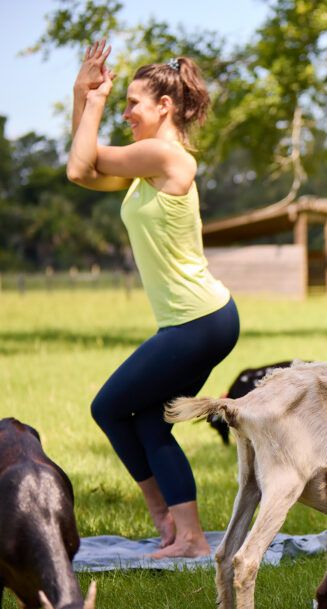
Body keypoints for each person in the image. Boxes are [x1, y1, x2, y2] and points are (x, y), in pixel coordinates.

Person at [67, 40, 239, 559]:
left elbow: (83, 159)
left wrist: (93, 101)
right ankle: (180, 531)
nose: (125, 113)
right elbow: (82, 168)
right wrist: (82, 93)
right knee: (143, 419)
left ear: (164, 106)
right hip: (193, 321)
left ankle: (176, 527)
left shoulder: (165, 155)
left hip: (199, 320)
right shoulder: (146, 169)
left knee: (109, 406)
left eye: (133, 104)